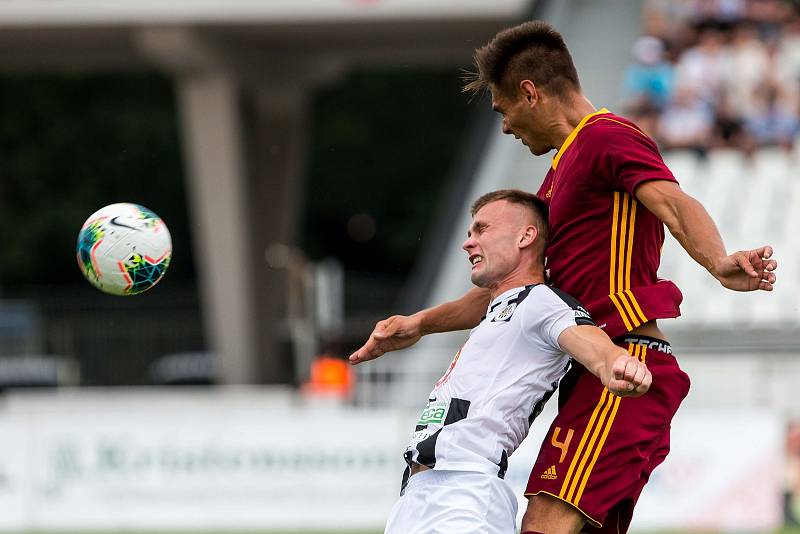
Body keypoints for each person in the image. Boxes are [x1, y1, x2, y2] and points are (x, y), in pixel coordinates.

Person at [350, 21, 778, 534]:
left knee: (542, 526)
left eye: (503, 109)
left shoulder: (606, 137)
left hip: (624, 362)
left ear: (529, 93)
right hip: (595, 372)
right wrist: (418, 324)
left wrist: (718, 261)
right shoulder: (559, 175)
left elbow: (672, 201)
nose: (505, 126)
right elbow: (508, 297)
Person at [350, 189, 652, 534]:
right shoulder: (498, 308)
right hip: (416, 496)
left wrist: (615, 364)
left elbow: (588, 339)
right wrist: (417, 323)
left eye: (482, 229)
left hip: (466, 493)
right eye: (468, 233)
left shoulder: (541, 301)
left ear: (526, 236)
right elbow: (467, 307)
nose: (469, 243)